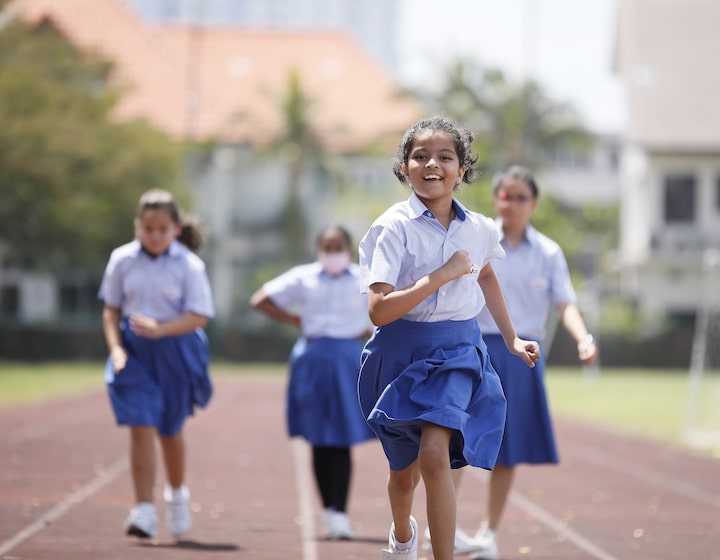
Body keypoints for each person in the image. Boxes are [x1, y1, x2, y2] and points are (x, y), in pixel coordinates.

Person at [356, 116, 540, 560]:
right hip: (399, 354)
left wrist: (512, 339)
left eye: (445, 157)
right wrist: (441, 275)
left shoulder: (478, 229)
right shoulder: (391, 228)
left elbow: (488, 275)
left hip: (458, 352)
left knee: (437, 456)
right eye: (420, 156)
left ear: (462, 170)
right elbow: (379, 309)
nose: (432, 164)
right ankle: (403, 534)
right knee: (404, 475)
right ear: (404, 167)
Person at [458, 165, 599, 560]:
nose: (513, 204)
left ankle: (490, 534)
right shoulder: (481, 241)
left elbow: (564, 302)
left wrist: (583, 338)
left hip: (522, 358)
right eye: (506, 196)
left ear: (533, 203)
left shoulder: (549, 252)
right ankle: (446, 524)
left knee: (507, 447)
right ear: (495, 200)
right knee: (452, 438)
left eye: (521, 197)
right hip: (472, 348)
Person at [99, 189, 215, 540]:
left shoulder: (189, 265)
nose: (154, 235)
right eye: (148, 228)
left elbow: (199, 316)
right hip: (134, 354)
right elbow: (111, 309)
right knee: (140, 425)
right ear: (138, 227)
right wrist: (117, 349)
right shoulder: (122, 259)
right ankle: (144, 509)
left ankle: (177, 496)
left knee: (169, 432)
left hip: (175, 351)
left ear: (176, 228)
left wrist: (161, 328)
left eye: (162, 228)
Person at [249, 225, 376, 540]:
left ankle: (340, 514)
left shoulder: (365, 277)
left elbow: (384, 309)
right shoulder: (302, 277)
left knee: (342, 437)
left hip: (347, 359)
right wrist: (292, 319)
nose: (333, 252)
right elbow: (260, 299)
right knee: (319, 437)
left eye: (338, 246)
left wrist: (369, 328)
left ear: (348, 248)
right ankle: (330, 512)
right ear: (319, 248)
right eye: (327, 246)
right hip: (313, 359)